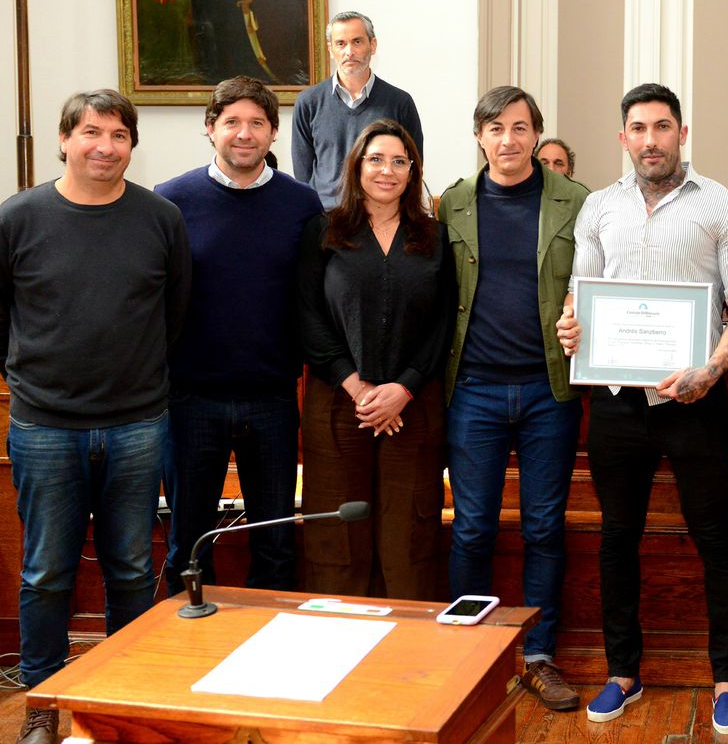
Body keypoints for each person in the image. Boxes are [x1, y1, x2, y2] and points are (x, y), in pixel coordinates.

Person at [555, 83, 728, 735]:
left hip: (696, 402)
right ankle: (623, 671)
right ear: (624, 138)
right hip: (616, 404)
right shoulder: (598, 208)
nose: (651, 139)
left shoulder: (725, 207)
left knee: (715, 540)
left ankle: (727, 678)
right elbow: (580, 294)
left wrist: (712, 369)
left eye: (663, 127)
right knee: (617, 537)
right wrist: (571, 325)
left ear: (682, 133)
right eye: (639, 128)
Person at [0, 90, 191, 744]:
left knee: (133, 569)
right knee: (46, 570)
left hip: (138, 424)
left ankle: (123, 699)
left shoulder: (160, 218)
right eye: (90, 132)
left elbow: (175, 317)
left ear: (131, 145)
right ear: (63, 140)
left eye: (118, 134)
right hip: (45, 425)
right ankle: (44, 705)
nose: (104, 145)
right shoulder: (18, 218)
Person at [439, 87, 589, 711]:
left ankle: (538, 654)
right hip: (471, 389)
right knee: (471, 527)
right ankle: (468, 650)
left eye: (520, 128)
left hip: (547, 390)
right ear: (479, 135)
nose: (509, 139)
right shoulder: (452, 203)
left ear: (536, 135)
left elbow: (598, 279)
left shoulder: (576, 203)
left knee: (544, 526)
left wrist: (586, 312)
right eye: (496, 128)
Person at [154, 77, 322, 596]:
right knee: (189, 538)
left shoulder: (301, 204)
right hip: (190, 398)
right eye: (231, 122)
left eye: (256, 123)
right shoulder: (171, 201)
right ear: (210, 129)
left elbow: (312, 298)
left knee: (273, 538)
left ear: (274, 133)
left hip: (271, 397)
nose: (243, 134)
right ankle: (184, 648)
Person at [297, 119, 454, 600]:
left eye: (399, 162)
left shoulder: (434, 237)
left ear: (413, 171)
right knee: (338, 535)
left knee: (408, 535)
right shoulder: (323, 231)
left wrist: (402, 388)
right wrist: (359, 388)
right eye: (376, 159)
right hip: (340, 405)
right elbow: (307, 317)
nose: (388, 170)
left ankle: (408, 658)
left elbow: (443, 325)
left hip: (412, 407)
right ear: (357, 166)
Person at [290, 11, 424, 208]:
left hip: (381, 217)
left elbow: (413, 166)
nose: (349, 52)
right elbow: (303, 173)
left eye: (357, 42)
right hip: (326, 218)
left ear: (373, 45)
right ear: (330, 49)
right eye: (341, 43)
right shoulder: (308, 102)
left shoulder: (400, 102)